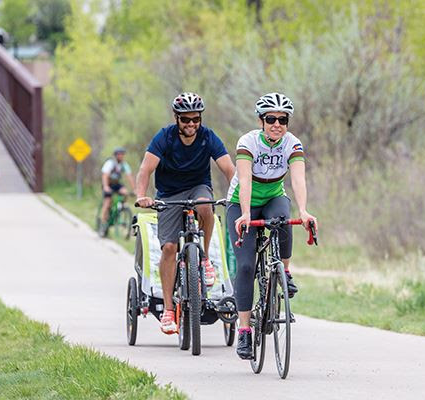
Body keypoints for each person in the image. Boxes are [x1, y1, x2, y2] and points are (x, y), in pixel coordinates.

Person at [225, 92, 318, 360]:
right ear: (261, 121)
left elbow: (298, 180)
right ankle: (244, 330)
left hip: (273, 197)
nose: (277, 124)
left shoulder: (292, 143)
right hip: (242, 203)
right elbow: (244, 180)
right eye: (271, 119)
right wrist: (244, 214)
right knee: (245, 265)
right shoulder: (248, 142)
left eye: (283, 119)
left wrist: (303, 210)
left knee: (284, 217)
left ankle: (285, 272)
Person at [135, 92, 235, 334]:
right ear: (176, 118)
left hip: (198, 187)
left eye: (195, 119)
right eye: (186, 119)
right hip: (169, 194)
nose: (191, 124)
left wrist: (237, 196)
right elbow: (145, 170)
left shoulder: (208, 137)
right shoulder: (165, 137)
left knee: (205, 205)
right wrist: (141, 196)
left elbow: (229, 169)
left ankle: (203, 259)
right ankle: (169, 310)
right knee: (169, 248)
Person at [100, 147, 136, 233]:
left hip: (116, 184)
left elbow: (129, 176)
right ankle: (103, 223)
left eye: (123, 154)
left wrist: (135, 189)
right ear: (116, 155)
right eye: (120, 154)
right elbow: (105, 175)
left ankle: (121, 208)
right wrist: (105, 186)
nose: (121, 156)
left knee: (125, 192)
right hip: (108, 184)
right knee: (107, 203)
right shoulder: (110, 163)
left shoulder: (124, 164)